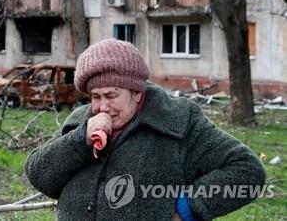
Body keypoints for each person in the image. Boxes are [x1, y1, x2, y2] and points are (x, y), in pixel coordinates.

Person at [25, 39, 266, 220]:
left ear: (137, 92)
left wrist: (187, 209)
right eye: (95, 96)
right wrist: (80, 140)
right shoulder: (80, 122)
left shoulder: (176, 120)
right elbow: (39, 175)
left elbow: (248, 171)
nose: (102, 107)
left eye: (111, 95)